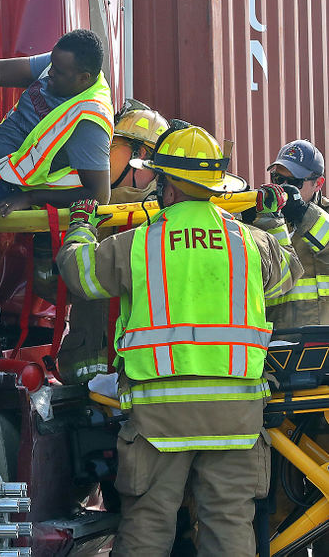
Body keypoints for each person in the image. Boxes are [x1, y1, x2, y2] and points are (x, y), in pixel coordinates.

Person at [54, 125, 301, 556]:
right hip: (235, 419)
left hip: (160, 418)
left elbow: (80, 274)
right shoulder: (250, 243)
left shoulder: (139, 245)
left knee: (149, 524)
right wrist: (272, 219)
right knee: (228, 526)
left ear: (167, 188)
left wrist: (80, 226)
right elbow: (287, 275)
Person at [57, 101, 170, 384]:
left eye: (111, 147)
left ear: (141, 155)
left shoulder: (161, 218)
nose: (101, 156)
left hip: (137, 380)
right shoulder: (95, 208)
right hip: (88, 378)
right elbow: (55, 290)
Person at [0, 29, 114, 217]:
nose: (50, 72)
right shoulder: (61, 64)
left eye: (58, 71)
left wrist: (30, 198)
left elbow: (99, 195)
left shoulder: (90, 121)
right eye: (52, 64)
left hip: (8, 189)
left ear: (84, 78)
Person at [254, 139, 329, 327]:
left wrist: (303, 213)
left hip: (323, 341)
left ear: (318, 183)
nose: (284, 187)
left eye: (294, 182)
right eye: (278, 179)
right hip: (279, 343)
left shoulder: (323, 216)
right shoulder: (262, 219)